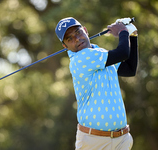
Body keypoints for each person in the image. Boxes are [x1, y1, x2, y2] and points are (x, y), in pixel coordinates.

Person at [55, 17, 138, 150]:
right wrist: (122, 31)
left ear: (85, 31)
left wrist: (132, 36)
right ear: (65, 46)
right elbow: (123, 53)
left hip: (121, 140)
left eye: (77, 32)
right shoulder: (80, 59)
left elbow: (129, 69)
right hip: (94, 142)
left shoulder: (100, 53)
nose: (76, 39)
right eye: (69, 39)